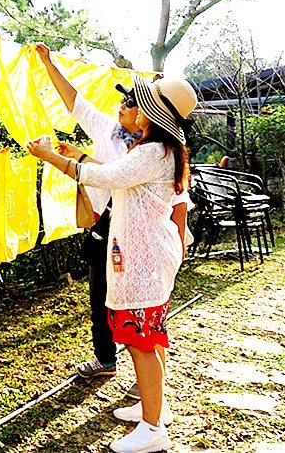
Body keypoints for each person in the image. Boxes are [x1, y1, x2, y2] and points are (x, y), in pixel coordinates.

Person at [28, 73, 197, 452]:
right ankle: (155, 408)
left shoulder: (152, 152)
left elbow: (105, 175)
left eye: (142, 101)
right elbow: (115, 173)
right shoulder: (160, 150)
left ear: (153, 111)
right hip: (152, 254)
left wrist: (51, 157)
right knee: (150, 336)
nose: (132, 105)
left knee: (140, 340)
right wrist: (77, 156)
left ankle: (153, 430)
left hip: (145, 258)